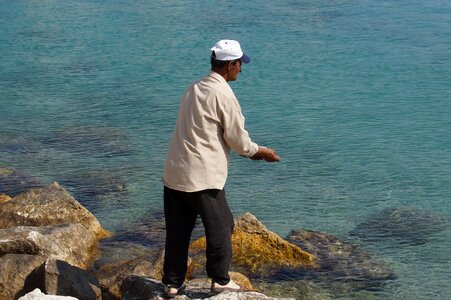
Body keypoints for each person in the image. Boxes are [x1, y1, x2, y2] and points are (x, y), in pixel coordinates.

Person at [162, 39, 280, 298]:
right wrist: (259, 152)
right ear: (229, 66)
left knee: (178, 231)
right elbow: (238, 140)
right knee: (222, 225)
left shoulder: (193, 88)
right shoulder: (224, 94)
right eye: (240, 64)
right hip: (202, 176)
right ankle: (220, 280)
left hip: (174, 172)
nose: (241, 69)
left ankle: (171, 284)